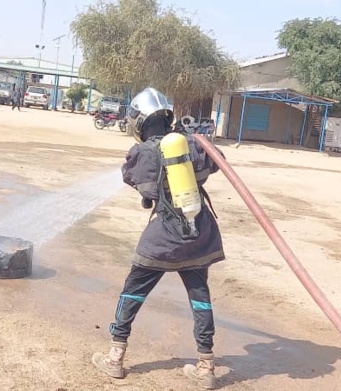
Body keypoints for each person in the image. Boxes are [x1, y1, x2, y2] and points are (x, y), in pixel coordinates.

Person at [91, 88, 225, 389]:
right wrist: (196, 137)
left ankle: (115, 358)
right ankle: (206, 367)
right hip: (198, 234)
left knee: (134, 289)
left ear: (139, 121)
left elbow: (137, 182)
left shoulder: (145, 151)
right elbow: (217, 162)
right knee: (200, 296)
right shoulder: (190, 144)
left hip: (164, 236)